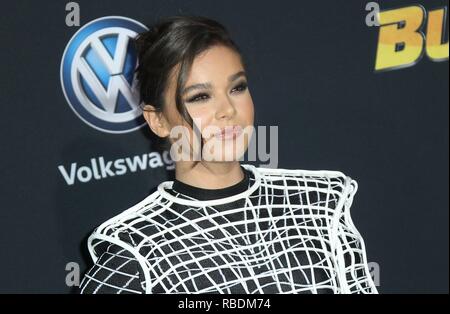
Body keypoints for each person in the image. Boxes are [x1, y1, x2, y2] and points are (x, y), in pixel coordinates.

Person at [78, 15, 378, 294]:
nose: (228, 111)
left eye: (237, 88)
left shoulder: (317, 204)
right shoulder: (137, 250)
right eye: (200, 97)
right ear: (157, 120)